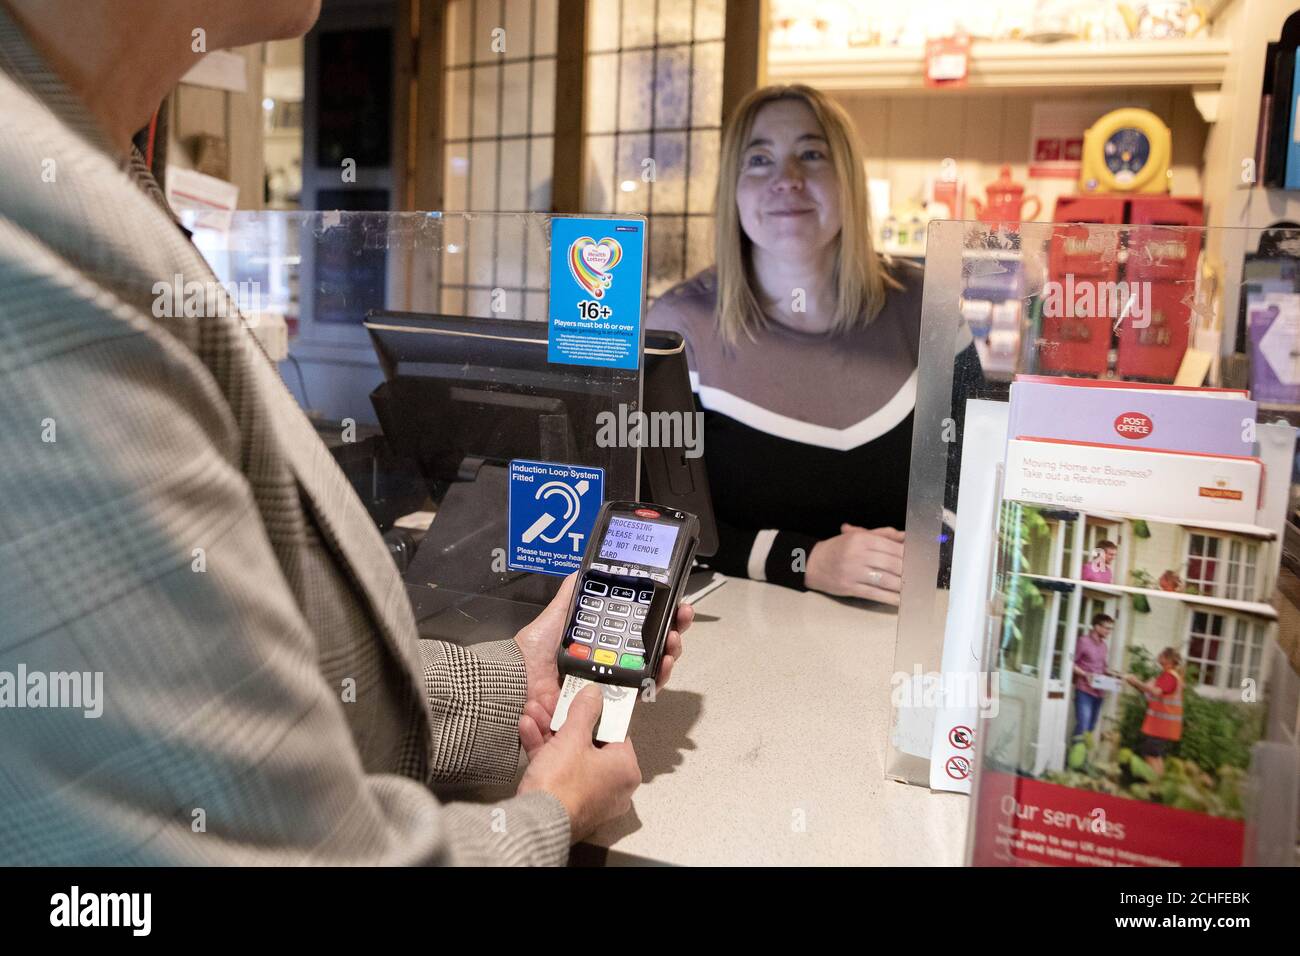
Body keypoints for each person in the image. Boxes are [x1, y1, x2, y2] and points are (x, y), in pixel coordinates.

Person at [0, 0, 690, 865]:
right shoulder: (32, 229)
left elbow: (228, 691)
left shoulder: (81, 175)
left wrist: (520, 675)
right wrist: (543, 819)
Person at [648, 84, 980, 604]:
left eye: (812, 153)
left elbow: (977, 484)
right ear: (732, 189)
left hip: (904, 629)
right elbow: (650, 523)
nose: (788, 179)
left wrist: (928, 552)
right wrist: (805, 559)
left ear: (848, 176)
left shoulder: (927, 306)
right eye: (759, 160)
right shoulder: (676, 328)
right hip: (744, 645)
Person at [1124, 647, 1184, 776]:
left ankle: (1156, 785)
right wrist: (1134, 683)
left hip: (1162, 726)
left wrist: (1137, 682)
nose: (1158, 655)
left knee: (1150, 754)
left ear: (1167, 659)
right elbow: (1149, 693)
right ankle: (1158, 786)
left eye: (1161, 654)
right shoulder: (1167, 675)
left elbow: (1155, 691)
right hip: (1161, 726)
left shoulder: (1169, 676)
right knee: (1154, 754)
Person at [1071, 613, 1116, 740]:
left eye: (1110, 629)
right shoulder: (1083, 641)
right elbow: (1070, 664)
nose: (1109, 631)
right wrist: (1085, 674)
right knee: (1083, 726)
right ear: (1097, 627)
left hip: (1099, 693)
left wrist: (1115, 676)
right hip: (1084, 690)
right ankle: (1075, 760)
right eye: (1107, 628)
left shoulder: (1104, 646)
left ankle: (1081, 757)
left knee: (1090, 727)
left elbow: (1102, 668)